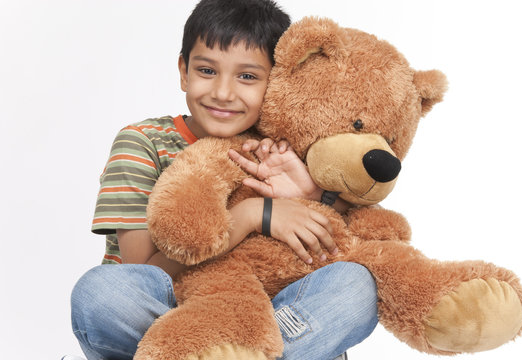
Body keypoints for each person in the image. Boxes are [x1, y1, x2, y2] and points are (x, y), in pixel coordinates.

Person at [70, 1, 378, 359]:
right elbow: (144, 271)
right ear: (184, 71)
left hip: (265, 313)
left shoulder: (281, 148)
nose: (223, 93)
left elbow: (349, 242)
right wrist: (252, 214)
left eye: (247, 76)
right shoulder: (143, 143)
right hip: (170, 308)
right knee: (98, 295)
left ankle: (241, 352)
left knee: (360, 284)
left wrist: (311, 194)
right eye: (206, 70)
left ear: (278, 82)